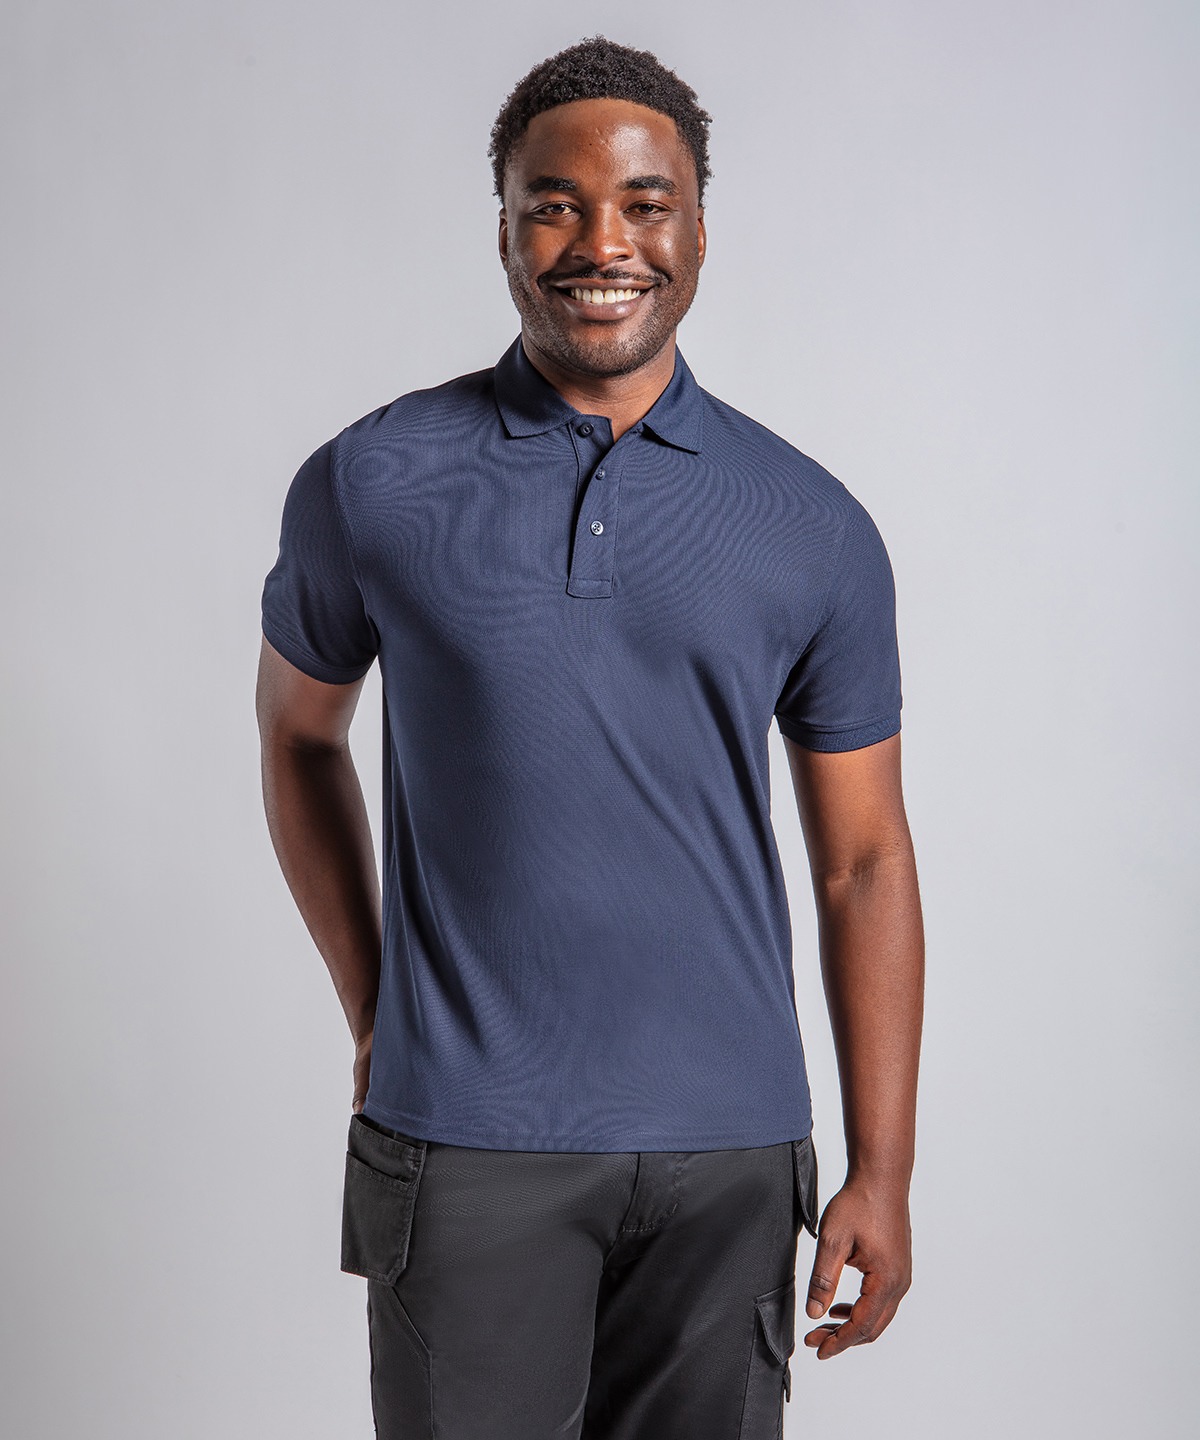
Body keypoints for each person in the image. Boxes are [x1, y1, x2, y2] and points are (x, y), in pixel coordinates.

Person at [256, 34, 923, 1440]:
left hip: (733, 1152)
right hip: (465, 1139)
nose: (602, 242)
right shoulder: (373, 480)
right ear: (503, 229)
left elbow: (863, 860)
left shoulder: (809, 521)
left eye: (644, 203)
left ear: (698, 226)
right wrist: (376, 1010)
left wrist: (885, 1167)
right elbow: (300, 738)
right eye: (553, 204)